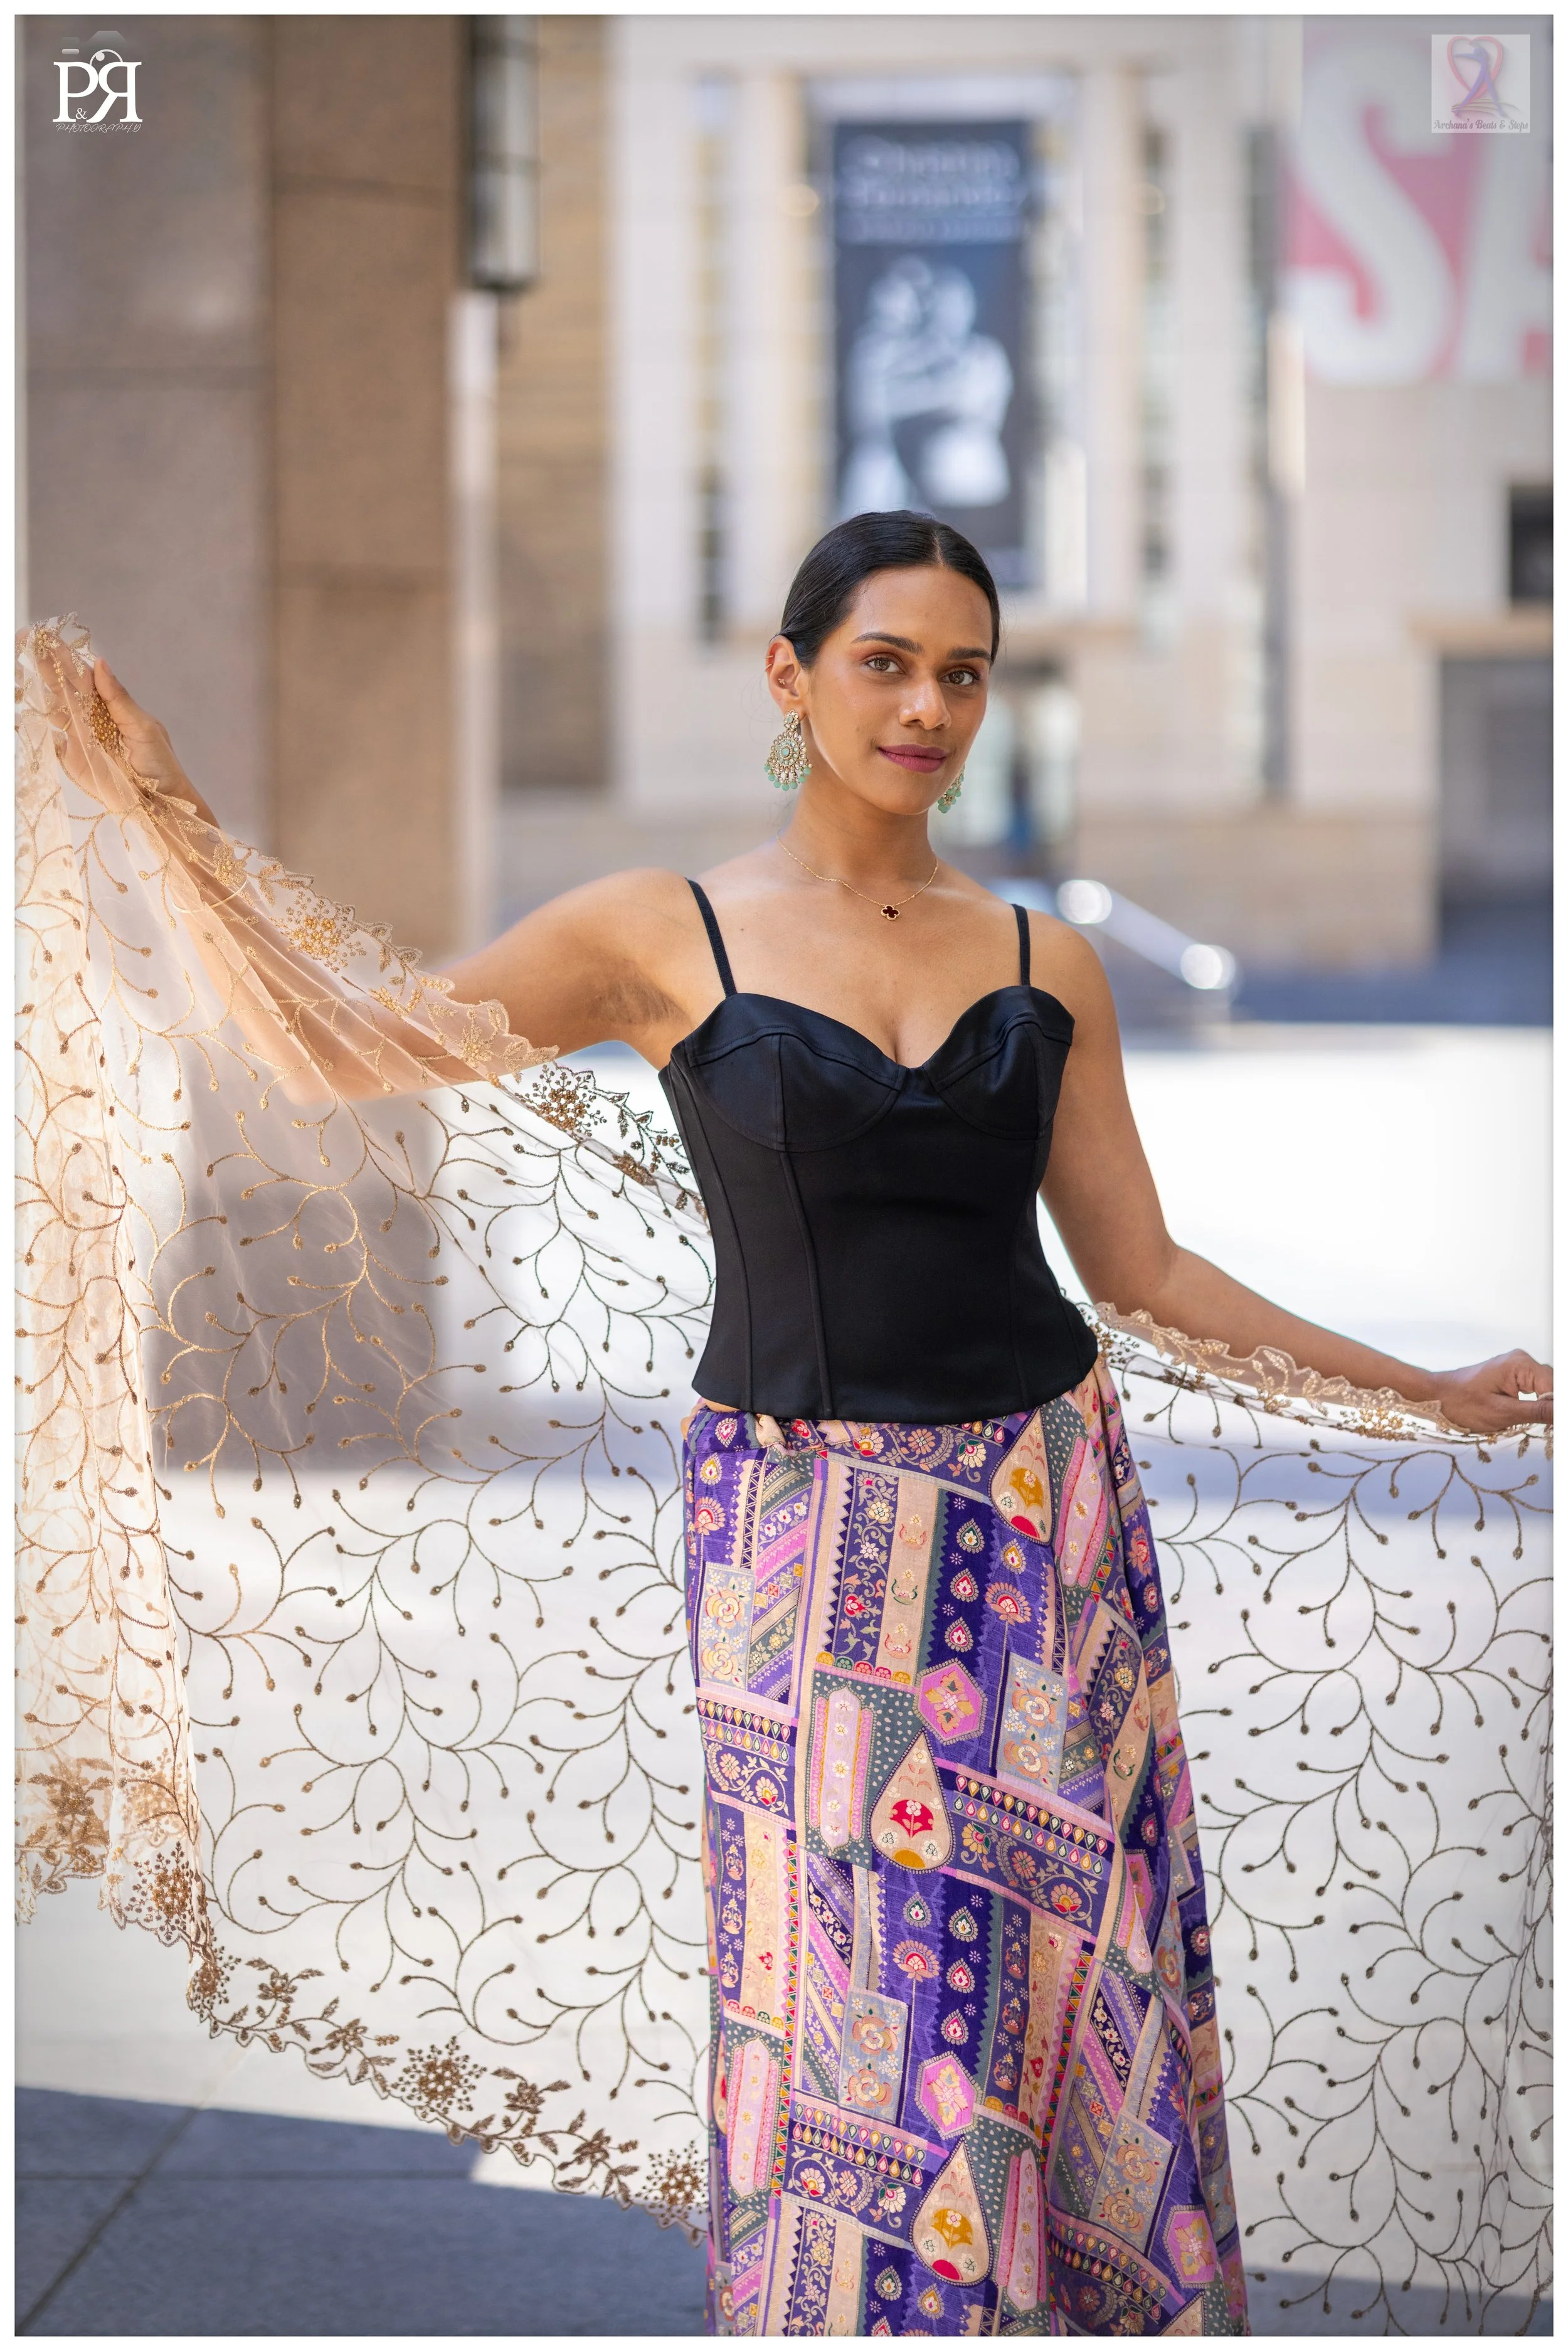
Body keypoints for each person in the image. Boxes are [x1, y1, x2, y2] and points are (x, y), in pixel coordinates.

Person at [27, 512, 1550, 2338]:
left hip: (1042, 1517)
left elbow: (1140, 1269)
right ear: (790, 675)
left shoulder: (1045, 957)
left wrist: (1415, 1385)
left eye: (962, 673)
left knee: (1071, 1971)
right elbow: (349, 1048)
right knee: (865, 2004)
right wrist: (169, 815)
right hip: (804, 1539)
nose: (926, 708)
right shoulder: (655, 930)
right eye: (884, 663)